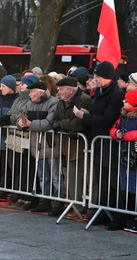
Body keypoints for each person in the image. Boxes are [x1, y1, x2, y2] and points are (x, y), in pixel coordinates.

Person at [74, 61, 124, 210]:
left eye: (97, 76)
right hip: (98, 142)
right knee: (101, 178)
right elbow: (99, 115)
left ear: (106, 77)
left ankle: (113, 210)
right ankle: (102, 209)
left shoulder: (116, 95)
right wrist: (89, 114)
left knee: (110, 179)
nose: (95, 79)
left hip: (108, 143)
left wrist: (84, 117)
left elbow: (107, 120)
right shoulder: (101, 92)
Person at [109, 85, 137, 233]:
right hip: (125, 154)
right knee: (124, 184)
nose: (123, 102)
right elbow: (113, 129)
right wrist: (118, 134)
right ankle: (123, 216)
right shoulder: (124, 114)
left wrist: (124, 135)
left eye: (127, 100)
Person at [17, 81, 63, 216]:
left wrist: (29, 124)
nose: (30, 94)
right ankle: (45, 200)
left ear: (41, 92)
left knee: (55, 177)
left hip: (51, 145)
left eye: (32, 92)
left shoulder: (54, 102)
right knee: (43, 176)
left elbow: (48, 123)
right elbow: (21, 115)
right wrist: (20, 123)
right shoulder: (30, 103)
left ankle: (58, 202)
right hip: (36, 145)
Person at [53, 77, 93, 219]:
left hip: (80, 146)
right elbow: (54, 119)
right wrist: (62, 124)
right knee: (70, 177)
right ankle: (76, 205)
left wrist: (62, 124)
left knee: (82, 177)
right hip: (66, 145)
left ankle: (83, 207)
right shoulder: (61, 102)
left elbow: (79, 123)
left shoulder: (84, 99)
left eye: (61, 89)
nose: (58, 91)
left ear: (70, 89)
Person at [0, 74, 40, 209]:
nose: (20, 86)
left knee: (26, 168)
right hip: (14, 139)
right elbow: (12, 113)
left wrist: (12, 118)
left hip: (25, 139)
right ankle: (18, 193)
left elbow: (23, 116)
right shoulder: (18, 99)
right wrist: (9, 117)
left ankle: (27, 196)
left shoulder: (32, 99)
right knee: (16, 167)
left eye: (23, 84)